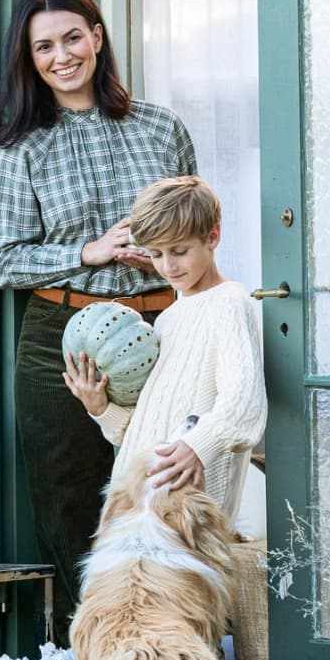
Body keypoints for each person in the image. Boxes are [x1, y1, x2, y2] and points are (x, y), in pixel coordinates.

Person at [0, 0, 196, 625]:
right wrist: (86, 252)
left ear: (98, 38)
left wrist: (160, 253)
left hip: (162, 329)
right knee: (70, 504)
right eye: (44, 46)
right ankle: (100, 657)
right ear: (30, 58)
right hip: (61, 338)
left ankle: (175, 649)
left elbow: (198, 230)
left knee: (166, 495)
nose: (61, 55)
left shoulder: (162, 129)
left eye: (73, 36)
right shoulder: (23, 148)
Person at [63, 175, 267, 521]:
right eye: (156, 254)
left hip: (188, 511)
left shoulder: (230, 303)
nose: (168, 266)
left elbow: (243, 405)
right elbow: (142, 428)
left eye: (179, 251)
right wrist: (101, 409)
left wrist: (197, 446)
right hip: (136, 504)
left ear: (212, 237)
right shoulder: (167, 320)